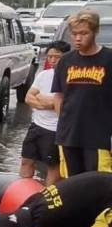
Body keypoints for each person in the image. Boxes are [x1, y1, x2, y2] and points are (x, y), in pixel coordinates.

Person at [52, 10, 112, 177]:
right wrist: (62, 124)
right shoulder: (65, 61)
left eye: (84, 33)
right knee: (72, 183)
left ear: (95, 32)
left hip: (99, 137)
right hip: (69, 136)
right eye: (75, 34)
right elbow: (58, 96)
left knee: (100, 183)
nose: (78, 38)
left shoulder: (108, 59)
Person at [19, 41, 69, 186]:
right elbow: (28, 98)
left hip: (55, 130)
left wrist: (45, 100)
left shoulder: (70, 79)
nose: (52, 60)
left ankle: (48, 201)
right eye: (50, 57)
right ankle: (23, 195)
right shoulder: (43, 75)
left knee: (53, 167)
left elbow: (65, 104)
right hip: (36, 126)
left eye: (57, 57)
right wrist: (50, 102)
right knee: (26, 160)